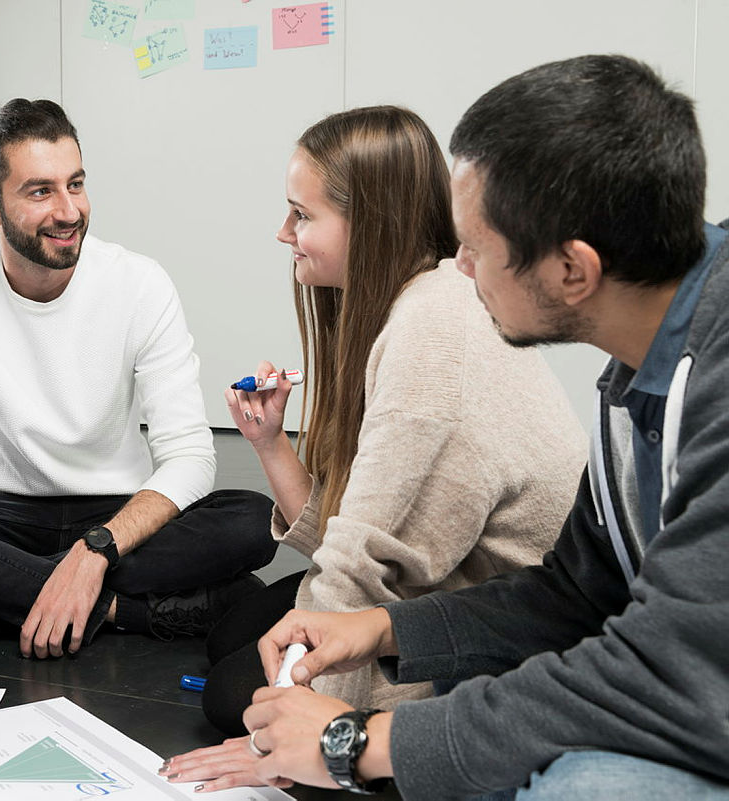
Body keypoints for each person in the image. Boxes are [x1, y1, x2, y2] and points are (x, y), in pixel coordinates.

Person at [218, 55, 729, 800]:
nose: (459, 269)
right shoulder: (638, 371)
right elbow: (572, 596)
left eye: (477, 248)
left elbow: (667, 671)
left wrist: (352, 742)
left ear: (571, 270)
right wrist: (385, 632)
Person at [160, 106, 587, 786]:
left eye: (301, 215)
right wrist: (269, 443)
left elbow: (366, 568)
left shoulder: (432, 329)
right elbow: (350, 529)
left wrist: (312, 742)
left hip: (496, 625)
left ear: (370, 224)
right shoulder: (408, 305)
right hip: (451, 575)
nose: (283, 233)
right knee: (232, 635)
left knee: (232, 688)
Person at [0, 98, 276, 660]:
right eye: (40, 191)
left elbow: (190, 456)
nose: (69, 210)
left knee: (254, 522)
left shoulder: (140, 283)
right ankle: (121, 611)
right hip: (2, 514)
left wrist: (95, 552)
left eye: (75, 184)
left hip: (118, 516)